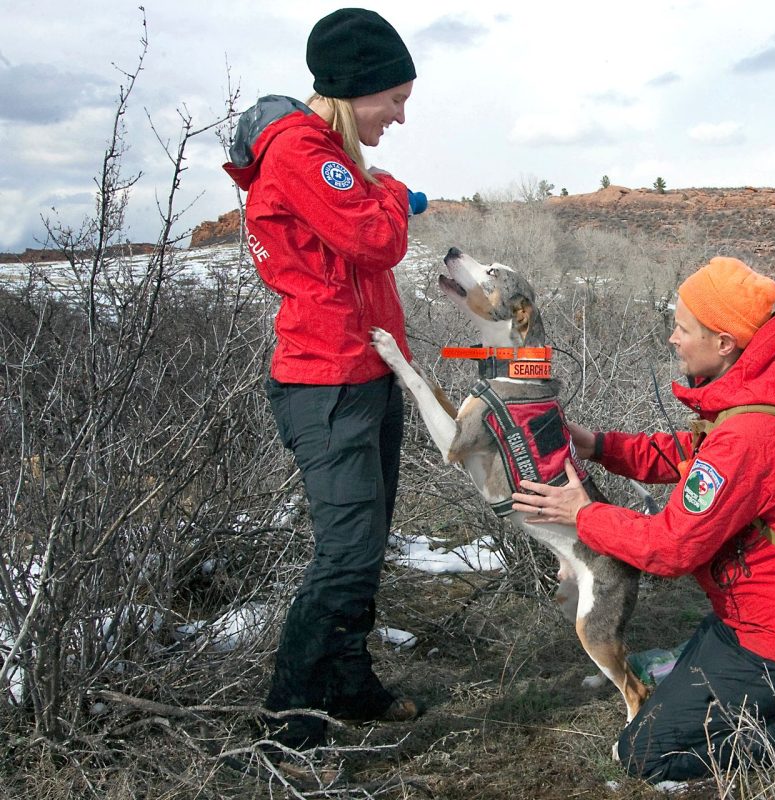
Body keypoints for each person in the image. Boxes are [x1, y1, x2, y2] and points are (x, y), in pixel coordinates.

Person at [511, 257, 775, 781]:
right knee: (671, 681)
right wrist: (599, 446)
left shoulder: (751, 434)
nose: (673, 339)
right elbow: (694, 453)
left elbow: (671, 547)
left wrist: (584, 514)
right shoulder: (771, 395)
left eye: (682, 328)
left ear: (724, 342)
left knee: (642, 754)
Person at [223, 8, 428, 750]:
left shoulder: (327, 154)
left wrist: (375, 189)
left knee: (365, 546)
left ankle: (348, 682)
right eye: (394, 99)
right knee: (344, 554)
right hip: (326, 381)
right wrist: (394, 192)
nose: (400, 116)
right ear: (353, 89)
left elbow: (360, 238)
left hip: (362, 371)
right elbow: (376, 239)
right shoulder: (301, 153)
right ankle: (287, 722)